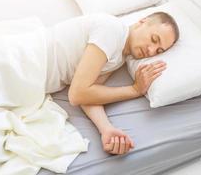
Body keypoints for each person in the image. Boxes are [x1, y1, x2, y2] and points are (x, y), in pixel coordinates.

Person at [45, 12, 179, 155]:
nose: (151, 50)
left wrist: (106, 129)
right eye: (154, 39)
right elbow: (77, 94)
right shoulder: (112, 31)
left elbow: (88, 94)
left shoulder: (119, 57)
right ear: (142, 21)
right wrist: (135, 90)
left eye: (158, 51)